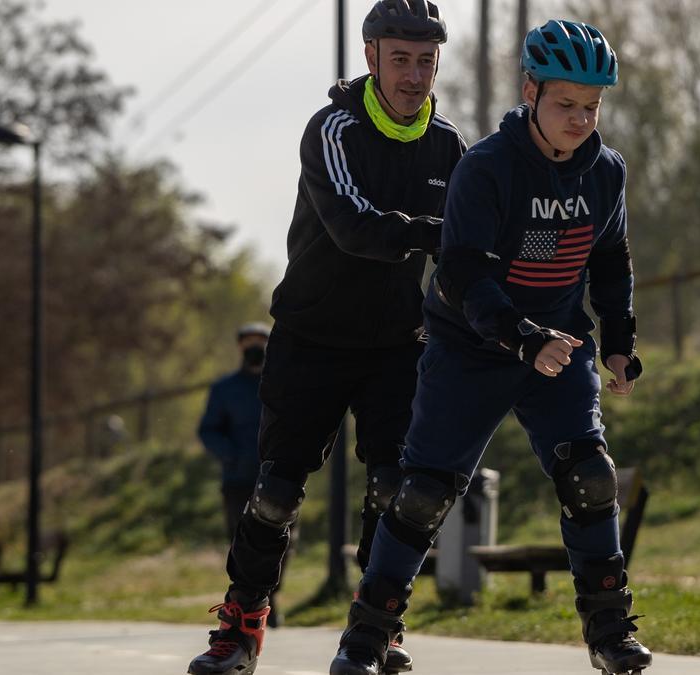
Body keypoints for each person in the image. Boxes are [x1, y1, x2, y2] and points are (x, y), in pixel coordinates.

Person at [329, 19, 652, 675]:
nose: (580, 120)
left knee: (590, 478)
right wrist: (521, 336)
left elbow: (611, 259)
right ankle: (366, 639)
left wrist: (618, 341)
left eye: (592, 107)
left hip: (557, 348)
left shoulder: (606, 172)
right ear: (530, 90)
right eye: (565, 104)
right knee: (422, 494)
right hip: (471, 348)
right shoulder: (486, 169)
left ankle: (610, 631)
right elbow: (462, 273)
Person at [186, 2, 466, 674]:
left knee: (396, 490)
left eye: (425, 60)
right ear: (370, 57)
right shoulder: (333, 130)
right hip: (311, 337)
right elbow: (354, 226)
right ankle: (242, 623)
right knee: (276, 490)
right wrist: (442, 234)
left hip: (399, 344)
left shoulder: (450, 148)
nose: (413, 75)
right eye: (400, 58)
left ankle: (376, 630)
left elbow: (471, 255)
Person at [197, 322, 272, 540]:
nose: (255, 348)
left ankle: (277, 577)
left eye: (260, 343)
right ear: (240, 347)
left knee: (279, 540)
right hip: (238, 480)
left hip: (278, 478)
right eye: (249, 344)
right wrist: (232, 456)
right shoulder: (224, 389)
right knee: (241, 541)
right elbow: (208, 430)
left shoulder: (281, 385)